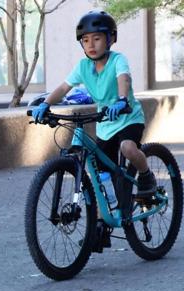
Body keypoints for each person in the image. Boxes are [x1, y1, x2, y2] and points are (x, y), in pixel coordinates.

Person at [31, 11, 155, 250]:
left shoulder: (118, 60)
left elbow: (124, 79)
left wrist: (121, 100)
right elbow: (64, 87)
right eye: (86, 40)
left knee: (128, 147)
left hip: (127, 117)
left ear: (110, 39)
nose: (91, 45)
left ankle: (146, 174)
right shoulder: (83, 66)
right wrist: (45, 104)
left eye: (97, 38)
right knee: (100, 174)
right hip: (105, 124)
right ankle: (101, 225)